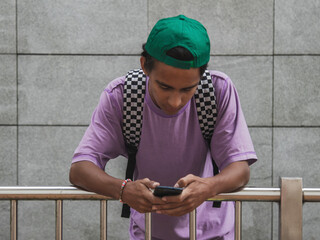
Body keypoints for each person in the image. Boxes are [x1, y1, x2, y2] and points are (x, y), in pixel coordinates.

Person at [70, 15, 257, 240]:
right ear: (144, 66)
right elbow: (80, 169)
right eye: (164, 86)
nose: (175, 101)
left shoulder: (217, 91)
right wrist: (123, 190)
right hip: (148, 233)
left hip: (214, 234)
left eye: (187, 89)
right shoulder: (121, 96)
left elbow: (240, 170)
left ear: (202, 74)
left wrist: (208, 187)